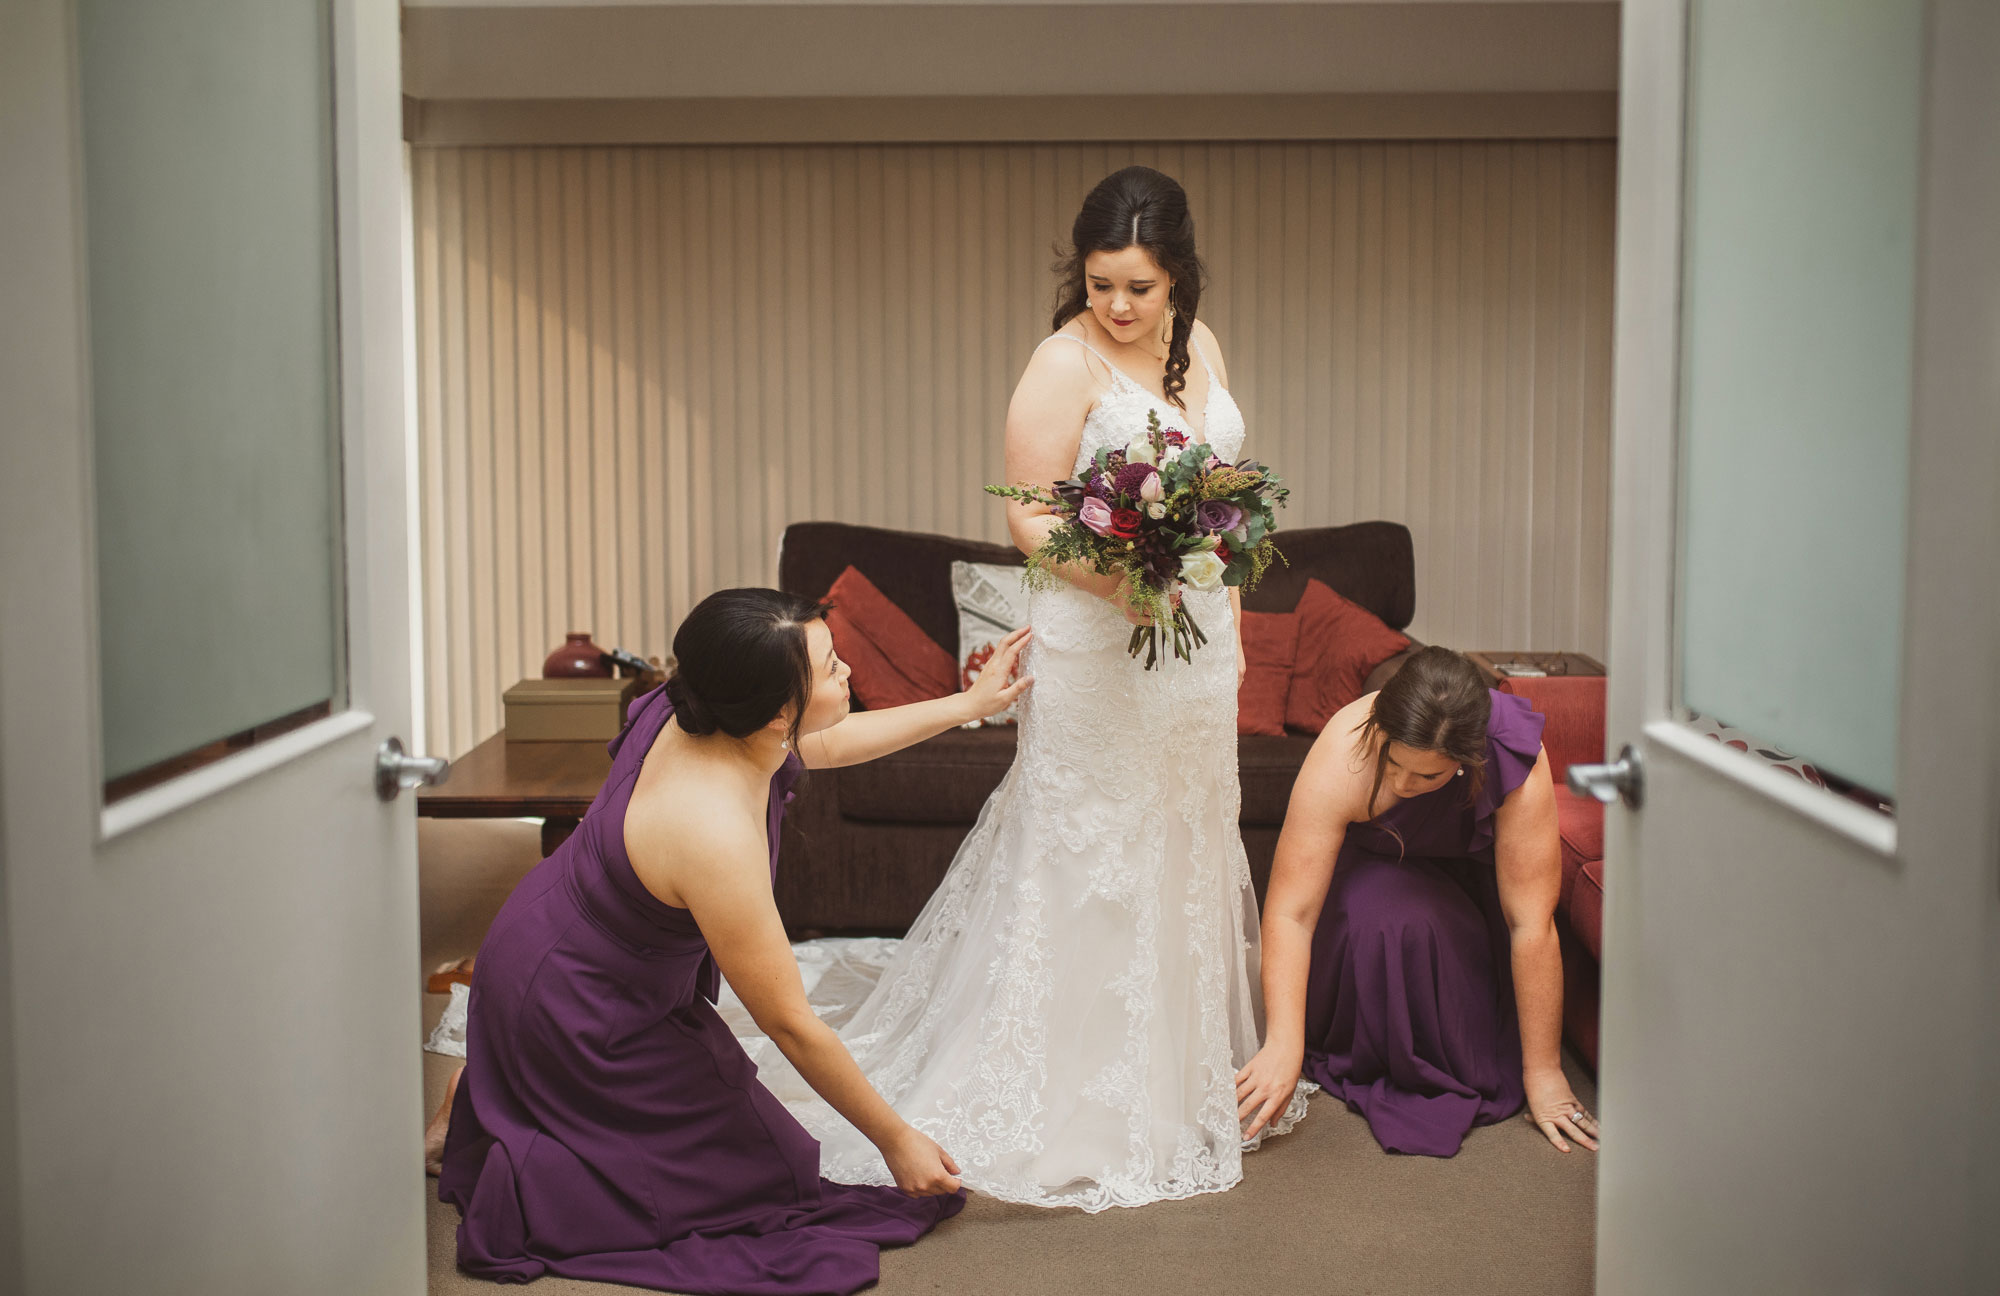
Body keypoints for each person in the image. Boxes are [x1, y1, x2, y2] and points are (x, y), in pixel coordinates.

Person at [752, 165, 1307, 1211]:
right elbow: (1031, 518)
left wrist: (1208, 545)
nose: (1120, 305)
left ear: (1176, 273)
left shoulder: (1202, 340)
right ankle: (1079, 1096)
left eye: (1138, 285)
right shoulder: (1061, 363)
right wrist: (1121, 580)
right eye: (1102, 283)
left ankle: (1175, 1078)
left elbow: (1221, 480)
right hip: (1102, 644)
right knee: (1092, 844)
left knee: (1184, 835)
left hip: (1196, 647)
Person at [435, 588, 1032, 1293]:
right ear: (779, 712)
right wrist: (896, 1141)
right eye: (832, 666)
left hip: (544, 945)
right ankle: (519, 1102)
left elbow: (827, 741)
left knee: (759, 1157)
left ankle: (498, 1087)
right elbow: (790, 1023)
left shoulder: (700, 705)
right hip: (575, 1006)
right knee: (754, 1190)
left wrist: (969, 705)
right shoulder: (711, 830)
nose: (847, 673)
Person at [1234, 646, 1601, 1157]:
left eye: (1428, 776)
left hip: (1470, 886)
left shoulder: (1515, 755)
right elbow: (1292, 912)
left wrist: (1545, 1072)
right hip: (1367, 874)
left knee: (1468, 1037)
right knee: (1398, 924)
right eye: (1396, 763)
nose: (1405, 785)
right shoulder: (1347, 747)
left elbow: (1530, 922)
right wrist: (1283, 1045)